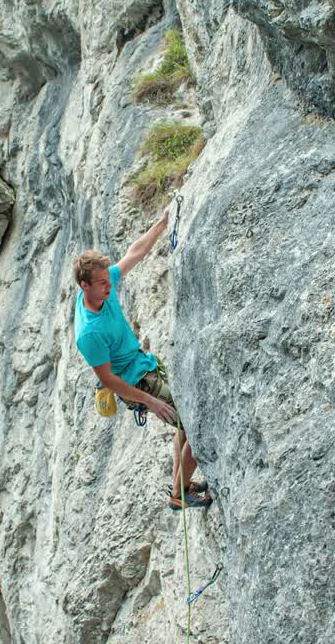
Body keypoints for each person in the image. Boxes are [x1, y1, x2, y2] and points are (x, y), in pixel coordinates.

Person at [72, 211, 213, 510]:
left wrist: (161, 223)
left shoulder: (103, 285)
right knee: (196, 424)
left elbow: (134, 253)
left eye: (107, 279)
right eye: (101, 283)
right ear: (85, 285)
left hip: (143, 364)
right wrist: (150, 402)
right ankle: (179, 495)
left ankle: (181, 485)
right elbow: (108, 379)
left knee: (184, 423)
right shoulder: (89, 333)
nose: (109, 286)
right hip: (135, 382)